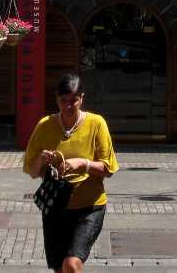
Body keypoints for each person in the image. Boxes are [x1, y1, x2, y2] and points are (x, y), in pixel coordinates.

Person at [24, 72, 119, 273]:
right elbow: (32, 172)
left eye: (74, 101)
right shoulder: (45, 126)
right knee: (60, 269)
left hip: (90, 207)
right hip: (56, 209)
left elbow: (108, 168)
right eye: (63, 101)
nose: (68, 106)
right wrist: (42, 159)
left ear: (82, 98)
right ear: (56, 100)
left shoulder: (96, 123)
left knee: (72, 265)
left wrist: (83, 164)